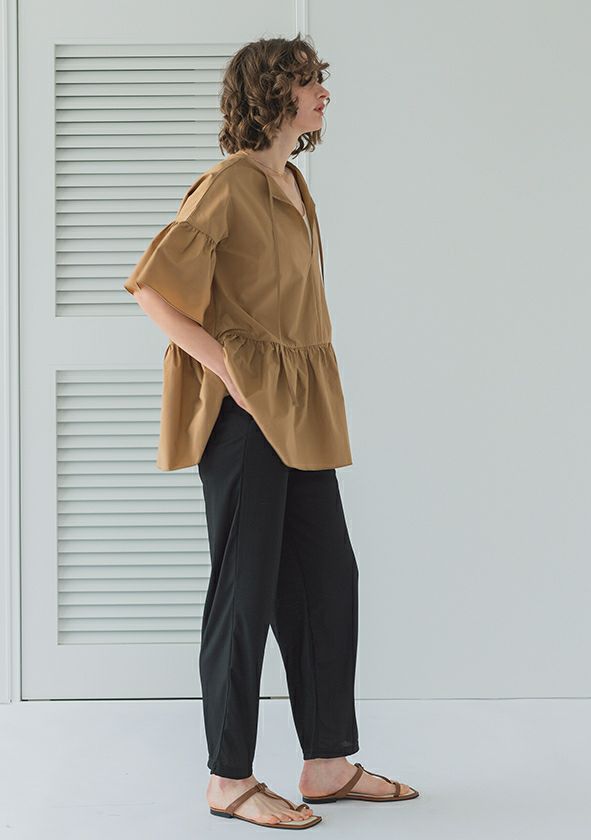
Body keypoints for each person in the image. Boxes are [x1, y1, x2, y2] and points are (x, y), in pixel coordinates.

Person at [124, 35, 418, 829]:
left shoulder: (291, 181)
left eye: (321, 80)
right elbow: (154, 290)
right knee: (244, 592)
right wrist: (231, 372)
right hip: (247, 417)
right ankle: (228, 779)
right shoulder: (228, 185)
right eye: (308, 81)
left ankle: (327, 764)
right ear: (271, 94)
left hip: (301, 407)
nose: (323, 93)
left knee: (327, 578)